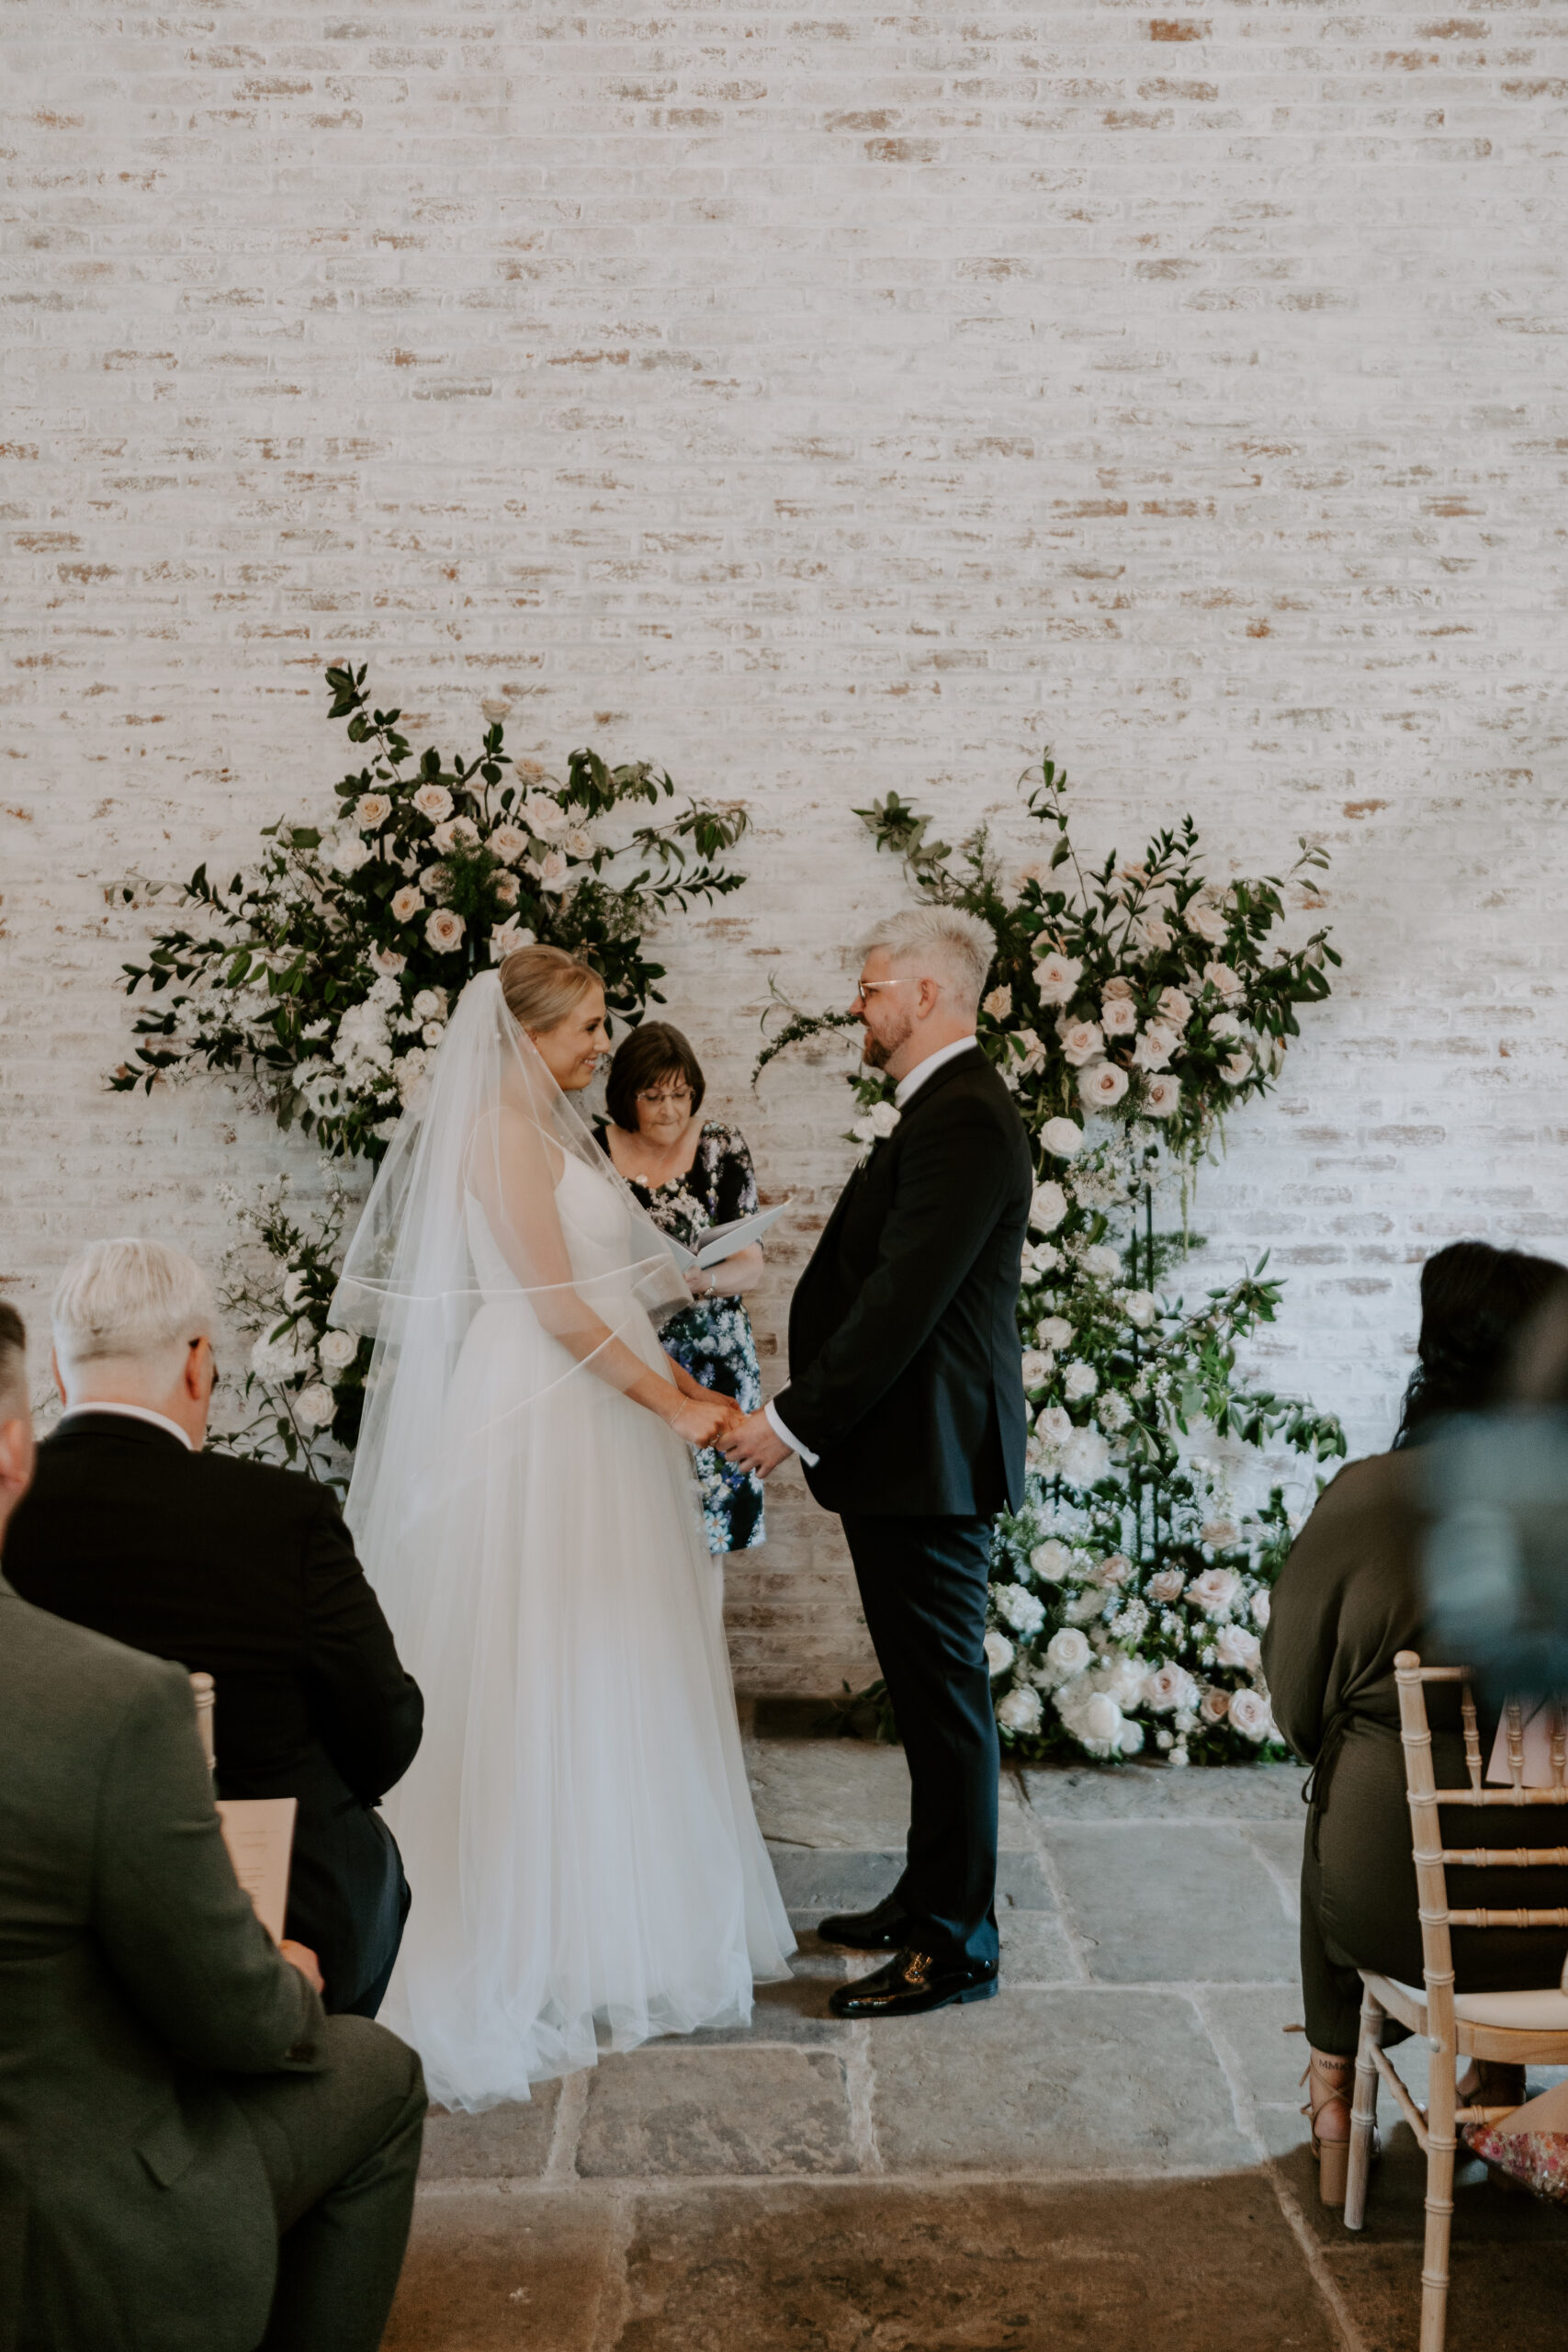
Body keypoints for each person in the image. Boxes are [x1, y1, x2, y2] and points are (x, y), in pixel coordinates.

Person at [330, 943, 795, 2110]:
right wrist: (677, 1403)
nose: (603, 1046)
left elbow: (611, 1278)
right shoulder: (495, 1130)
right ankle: (519, 1929)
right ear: (528, 1032)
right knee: (533, 1656)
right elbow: (550, 1312)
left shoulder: (556, 1129)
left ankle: (609, 1924)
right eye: (586, 1028)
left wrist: (684, 1308)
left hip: (601, 1407)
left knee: (613, 1659)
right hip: (543, 1416)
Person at [0, 1299, 426, 2352]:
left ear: (59, 1377)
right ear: (12, 1449)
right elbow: (243, 2019)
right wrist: (287, 1977)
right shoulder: (120, 1702)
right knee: (371, 2066)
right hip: (67, 2228)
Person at [724, 906, 1032, 2021]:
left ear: (927, 997)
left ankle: (957, 1945)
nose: (856, 1004)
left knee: (946, 1701)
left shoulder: (964, 1121)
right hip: (907, 1457)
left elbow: (904, 1300)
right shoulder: (941, 1111)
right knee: (923, 1690)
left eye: (870, 987)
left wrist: (792, 1420)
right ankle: (929, 1893)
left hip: (929, 1459)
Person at [4, 1238, 423, 2019]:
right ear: (198, 1363)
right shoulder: (283, 1512)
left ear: (60, 1375)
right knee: (368, 1862)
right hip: (282, 1912)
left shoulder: (8, 1512)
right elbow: (385, 1728)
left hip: (49, 1907)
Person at [1263, 1239, 1568, 2207]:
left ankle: (1332, 2099)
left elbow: (1295, 1701)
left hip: (1400, 1910)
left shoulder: (1368, 1497)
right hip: (1559, 1929)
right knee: (1525, 1757)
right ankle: (1499, 2077)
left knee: (1347, 1782)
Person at [597, 1019, 769, 1556]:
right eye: (653, 1096)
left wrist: (702, 1279)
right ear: (627, 1095)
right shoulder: (591, 1150)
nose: (670, 1109)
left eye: (681, 1094)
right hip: (627, 1354)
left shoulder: (720, 1144)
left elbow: (752, 1265)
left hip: (714, 1363)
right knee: (627, 1525)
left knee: (707, 1528)